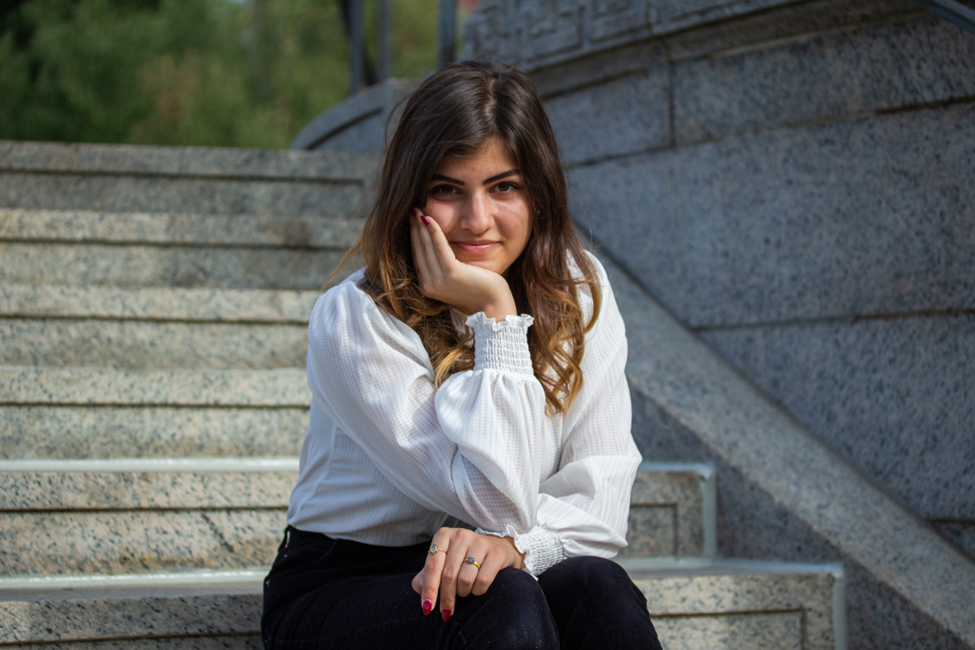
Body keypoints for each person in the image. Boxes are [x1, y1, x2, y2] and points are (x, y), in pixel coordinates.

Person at [261, 60, 662, 650]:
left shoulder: (578, 290)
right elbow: (494, 503)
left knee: (599, 587)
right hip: (345, 581)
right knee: (502, 598)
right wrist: (496, 313)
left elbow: (601, 499)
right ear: (410, 197)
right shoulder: (355, 318)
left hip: (492, 566)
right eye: (447, 189)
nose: (477, 221)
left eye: (505, 187)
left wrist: (519, 548)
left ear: (539, 194)